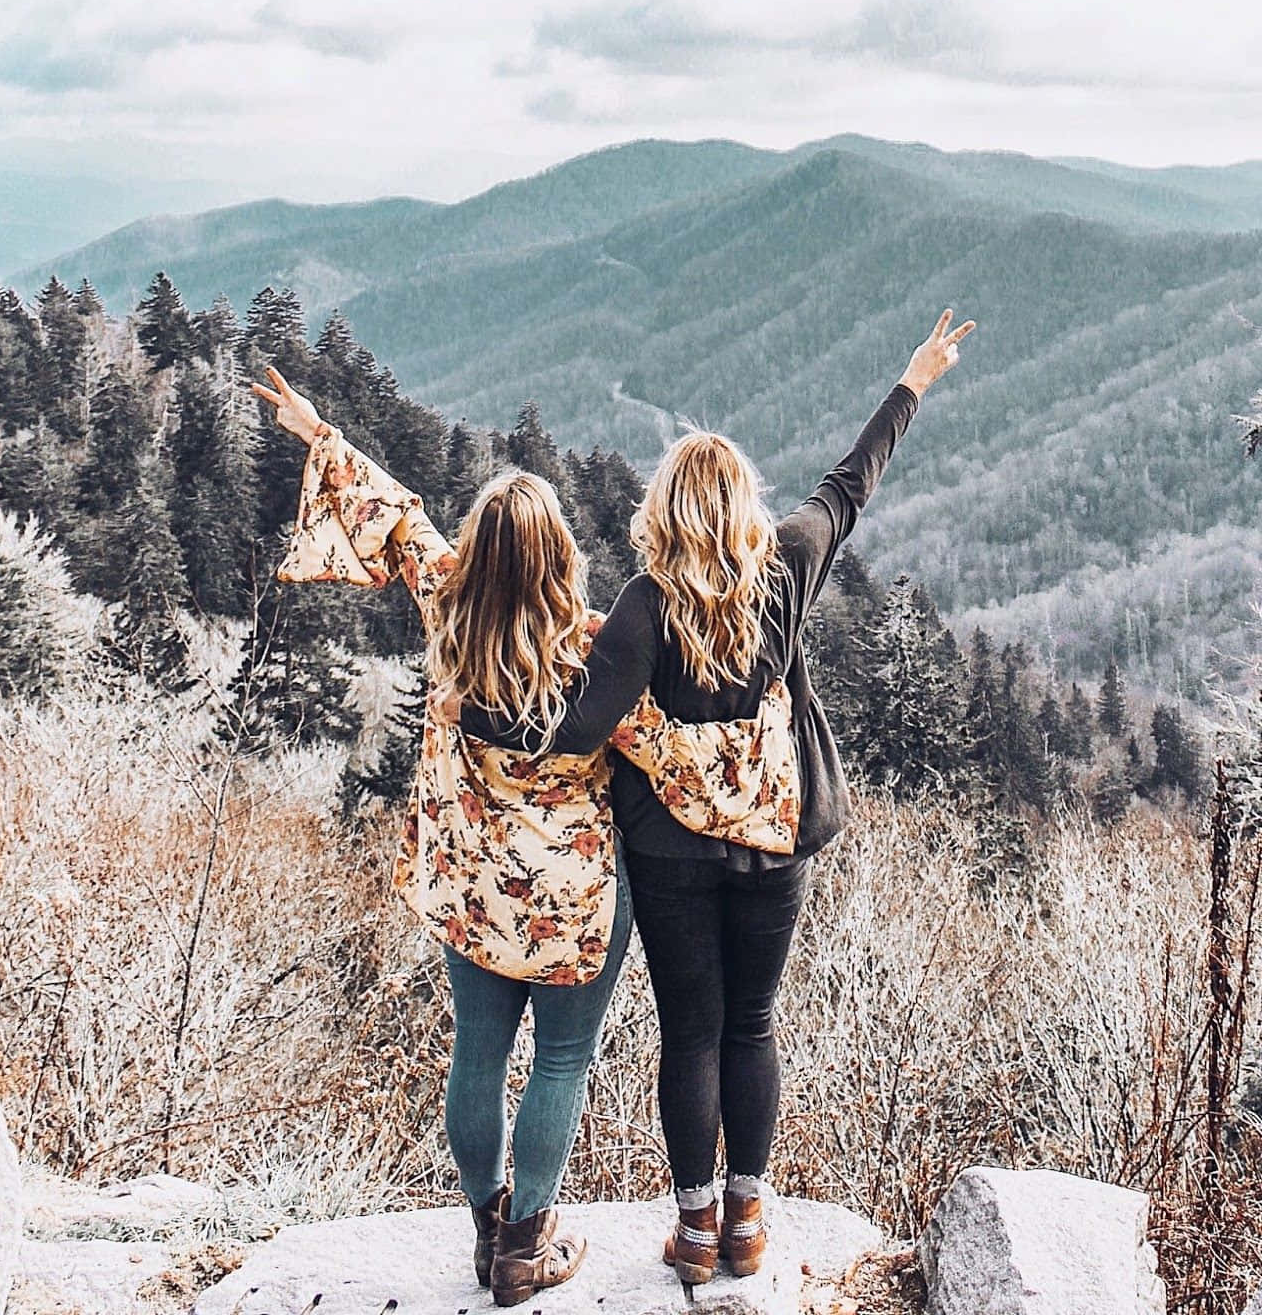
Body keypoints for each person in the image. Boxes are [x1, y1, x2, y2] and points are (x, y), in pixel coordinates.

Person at [253, 365, 796, 1307]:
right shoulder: (595, 648)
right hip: (573, 896)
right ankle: (528, 1244)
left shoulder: (448, 610)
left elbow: (396, 518)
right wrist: (769, 774)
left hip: (469, 883)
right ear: (558, 560)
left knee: (477, 1052)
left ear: (480, 552)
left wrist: (320, 434)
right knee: (559, 1062)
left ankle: (485, 1225)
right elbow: (677, 755)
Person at [457, 307, 975, 1284]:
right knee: (752, 1023)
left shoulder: (643, 608)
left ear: (665, 509)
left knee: (690, 1031)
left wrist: (481, 706)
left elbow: (571, 732)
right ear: (740, 505)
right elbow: (848, 485)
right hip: (774, 838)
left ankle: (693, 1232)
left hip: (670, 856)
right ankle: (747, 1223)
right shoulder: (783, 563)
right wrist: (912, 381)